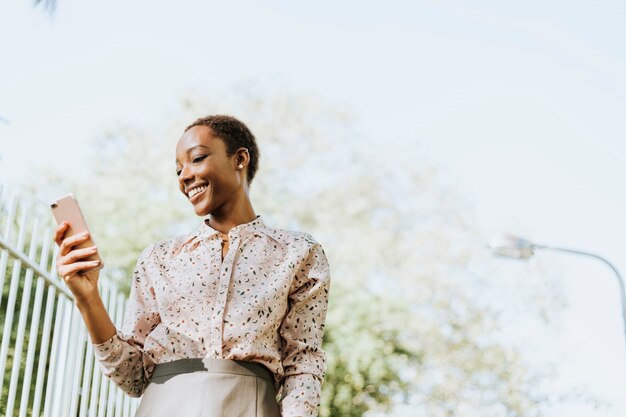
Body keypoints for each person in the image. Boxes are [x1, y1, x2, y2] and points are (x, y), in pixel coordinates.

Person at [54, 115, 331, 417]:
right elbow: (132, 378)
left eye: (196, 159)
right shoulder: (159, 258)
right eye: (178, 170)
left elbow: (303, 363)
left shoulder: (298, 253)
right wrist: (88, 298)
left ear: (240, 158)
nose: (184, 176)